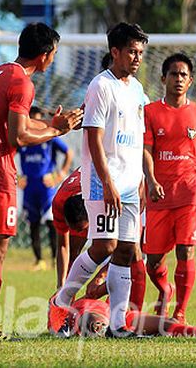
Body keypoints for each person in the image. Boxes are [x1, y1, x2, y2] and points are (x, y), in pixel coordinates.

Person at [0, 22, 83, 341]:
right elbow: (19, 135)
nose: (53, 59)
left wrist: (52, 124)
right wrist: (57, 130)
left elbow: (18, 124)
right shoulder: (23, 84)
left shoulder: (1, 71)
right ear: (44, 55)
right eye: (54, 53)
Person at [49, 22, 149, 338]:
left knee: (126, 251)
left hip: (133, 183)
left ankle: (118, 325)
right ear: (114, 52)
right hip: (102, 182)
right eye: (132, 51)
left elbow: (141, 139)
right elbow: (93, 136)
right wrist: (106, 182)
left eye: (141, 53)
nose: (137, 58)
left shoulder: (137, 90)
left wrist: (145, 176)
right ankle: (61, 299)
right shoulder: (100, 86)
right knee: (105, 245)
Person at [143, 53, 196, 323]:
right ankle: (165, 289)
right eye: (173, 74)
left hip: (190, 190)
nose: (178, 79)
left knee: (186, 249)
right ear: (163, 78)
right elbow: (147, 150)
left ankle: (180, 312)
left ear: (191, 80)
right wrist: (151, 180)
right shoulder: (150, 112)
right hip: (159, 193)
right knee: (153, 261)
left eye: (183, 75)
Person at [18, 106, 74, 271]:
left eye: (38, 119)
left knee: (52, 223)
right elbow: (5, 154)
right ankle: (38, 260)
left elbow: (68, 152)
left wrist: (60, 174)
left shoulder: (49, 138)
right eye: (32, 119)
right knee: (33, 223)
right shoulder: (23, 137)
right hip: (29, 186)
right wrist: (16, 178)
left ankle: (55, 260)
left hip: (46, 187)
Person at [63, 292, 196, 339]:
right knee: (91, 319)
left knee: (170, 323)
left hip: (120, 316)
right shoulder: (74, 310)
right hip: (113, 318)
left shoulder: (82, 304)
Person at [51, 168, 88, 288]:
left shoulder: (101, 198)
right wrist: (60, 285)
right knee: (72, 251)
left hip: (111, 188)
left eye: (81, 229)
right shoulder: (59, 203)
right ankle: (65, 297)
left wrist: (100, 278)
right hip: (79, 192)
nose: (76, 232)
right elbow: (62, 245)